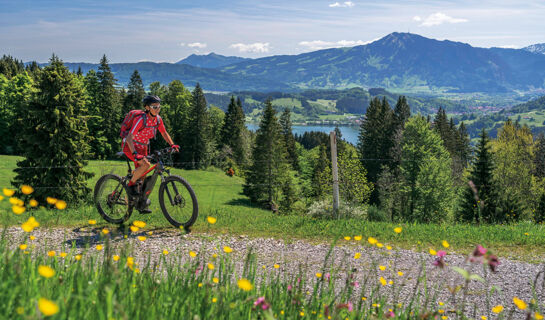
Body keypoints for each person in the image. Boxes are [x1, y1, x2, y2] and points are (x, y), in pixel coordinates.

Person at [122, 95, 179, 213]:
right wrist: (135, 153)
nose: (157, 109)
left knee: (142, 176)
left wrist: (172, 144)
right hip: (130, 145)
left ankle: (135, 202)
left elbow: (164, 133)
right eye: (154, 107)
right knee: (145, 165)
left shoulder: (158, 119)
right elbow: (129, 137)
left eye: (159, 107)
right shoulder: (141, 119)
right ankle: (130, 186)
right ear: (147, 107)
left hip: (143, 146)